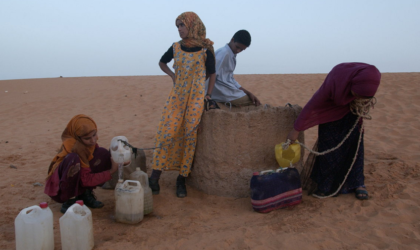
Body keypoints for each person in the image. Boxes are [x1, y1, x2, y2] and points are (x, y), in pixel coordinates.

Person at [286, 62, 381, 200]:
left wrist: (359, 102)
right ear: (351, 85)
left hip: (352, 114)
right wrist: (296, 130)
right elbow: (313, 105)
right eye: (357, 94)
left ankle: (358, 183)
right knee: (329, 151)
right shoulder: (337, 79)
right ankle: (326, 185)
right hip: (329, 116)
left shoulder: (369, 79)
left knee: (354, 149)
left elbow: (363, 98)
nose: (359, 98)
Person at [149, 11, 216, 198]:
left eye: (182, 25)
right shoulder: (176, 47)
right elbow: (162, 62)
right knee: (167, 132)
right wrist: (172, 76)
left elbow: (212, 74)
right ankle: (154, 177)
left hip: (195, 99)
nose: (179, 29)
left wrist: (208, 95)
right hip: (177, 97)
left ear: (193, 26)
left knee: (189, 136)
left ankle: (181, 179)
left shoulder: (205, 49)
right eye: (177, 26)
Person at [44, 114, 119, 213]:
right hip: (60, 190)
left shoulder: (87, 146)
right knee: (73, 160)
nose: (93, 140)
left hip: (80, 177)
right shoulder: (76, 148)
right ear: (78, 138)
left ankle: (85, 194)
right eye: (87, 138)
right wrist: (112, 171)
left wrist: (122, 161)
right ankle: (69, 200)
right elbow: (86, 180)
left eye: (94, 134)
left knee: (102, 153)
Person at [209, 30, 260, 106]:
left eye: (242, 50)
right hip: (219, 92)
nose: (238, 51)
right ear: (232, 40)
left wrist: (247, 92)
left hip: (227, 90)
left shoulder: (231, 54)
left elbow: (230, 78)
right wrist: (208, 95)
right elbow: (211, 76)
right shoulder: (223, 54)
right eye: (237, 47)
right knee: (250, 102)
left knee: (250, 97)